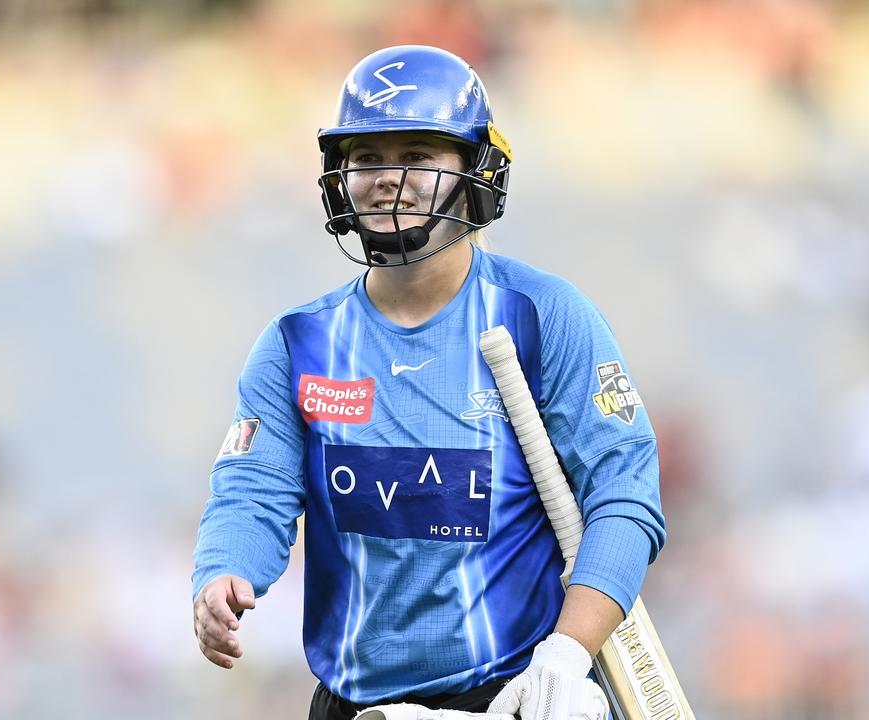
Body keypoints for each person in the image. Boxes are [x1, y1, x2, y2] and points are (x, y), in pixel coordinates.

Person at [192, 45, 666, 720]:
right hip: (360, 707)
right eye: (368, 158)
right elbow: (251, 493)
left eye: (419, 153)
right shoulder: (296, 344)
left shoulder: (545, 316)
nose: (391, 178)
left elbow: (625, 497)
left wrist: (567, 652)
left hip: (520, 696)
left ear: (476, 170)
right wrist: (222, 569)